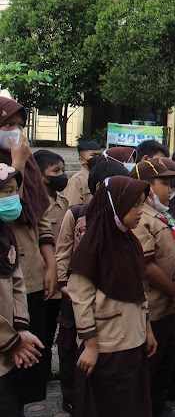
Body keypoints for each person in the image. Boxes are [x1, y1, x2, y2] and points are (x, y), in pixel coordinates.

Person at [68, 176, 158, 417]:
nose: (140, 211)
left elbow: (139, 289)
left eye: (141, 204)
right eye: (134, 205)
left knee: (133, 402)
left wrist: (147, 329)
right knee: (108, 404)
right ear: (114, 205)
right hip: (106, 345)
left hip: (133, 338)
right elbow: (80, 300)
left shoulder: (130, 242)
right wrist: (90, 345)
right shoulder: (91, 248)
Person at [55, 158, 129, 414]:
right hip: (74, 292)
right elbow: (63, 251)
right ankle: (71, 395)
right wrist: (63, 284)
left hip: (103, 296)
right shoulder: (77, 214)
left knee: (98, 344)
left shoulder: (121, 218)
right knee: (69, 346)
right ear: (99, 187)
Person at [0, 98, 56, 405]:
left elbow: (40, 217)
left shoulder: (30, 166)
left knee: (33, 351)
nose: (15, 133)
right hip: (4, 276)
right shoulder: (16, 165)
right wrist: (15, 166)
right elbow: (6, 205)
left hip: (30, 274)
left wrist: (50, 264)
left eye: (20, 126)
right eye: (7, 125)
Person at [129, 158, 175, 417]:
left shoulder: (163, 213)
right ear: (146, 186)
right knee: (152, 364)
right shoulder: (141, 218)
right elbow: (146, 266)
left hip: (171, 304)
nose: (170, 189)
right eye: (164, 183)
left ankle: (160, 404)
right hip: (155, 305)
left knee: (166, 361)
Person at [0, 163, 46, 416]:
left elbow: (17, 281)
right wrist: (11, 341)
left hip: (7, 349)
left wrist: (21, 327)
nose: (13, 198)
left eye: (15, 190)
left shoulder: (5, 234)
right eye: (5, 191)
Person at [33, 150, 69, 383]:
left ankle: (48, 371)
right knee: (41, 329)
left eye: (63, 170)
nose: (62, 175)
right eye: (55, 171)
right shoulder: (35, 203)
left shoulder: (63, 202)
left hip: (61, 277)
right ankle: (39, 373)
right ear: (41, 176)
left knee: (55, 327)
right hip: (42, 276)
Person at [63, 141, 104, 207]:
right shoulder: (76, 181)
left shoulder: (103, 177)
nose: (98, 158)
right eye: (93, 155)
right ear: (82, 160)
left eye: (100, 155)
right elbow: (73, 209)